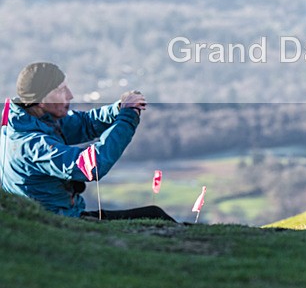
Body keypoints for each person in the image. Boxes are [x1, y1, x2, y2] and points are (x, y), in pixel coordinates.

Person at [0, 62, 175, 221]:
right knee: (154, 215)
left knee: (153, 213)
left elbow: (85, 124)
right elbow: (92, 166)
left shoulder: (26, 120)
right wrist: (128, 117)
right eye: (61, 91)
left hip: (53, 213)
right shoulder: (32, 145)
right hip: (59, 220)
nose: (70, 95)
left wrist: (119, 108)